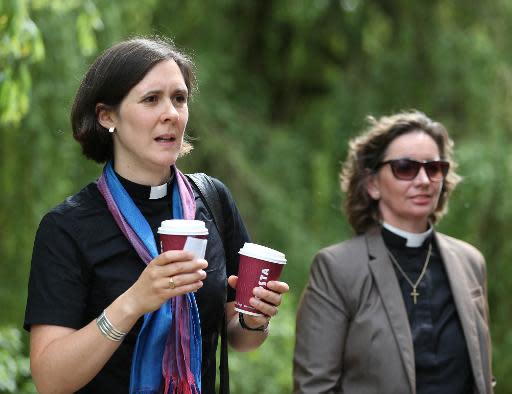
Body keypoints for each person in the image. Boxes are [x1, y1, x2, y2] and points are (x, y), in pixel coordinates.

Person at [24, 36, 289, 394]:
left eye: (179, 99)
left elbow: (239, 338)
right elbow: (49, 380)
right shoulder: (67, 228)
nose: (171, 114)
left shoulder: (212, 201)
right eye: (152, 99)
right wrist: (133, 302)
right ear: (107, 116)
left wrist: (255, 320)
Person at [293, 111, 494, 394]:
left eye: (434, 167)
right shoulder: (337, 268)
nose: (424, 180)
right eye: (405, 167)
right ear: (372, 184)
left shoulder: (471, 263)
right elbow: (314, 388)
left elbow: (483, 379)